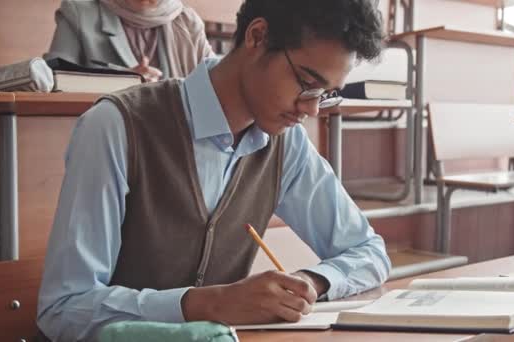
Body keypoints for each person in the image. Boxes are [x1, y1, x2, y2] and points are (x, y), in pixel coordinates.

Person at [37, 0, 391, 340]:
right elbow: (64, 309)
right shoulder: (116, 126)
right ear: (258, 36)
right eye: (308, 83)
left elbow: (368, 251)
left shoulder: (287, 143)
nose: (312, 109)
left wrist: (308, 283)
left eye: (326, 94)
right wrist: (210, 304)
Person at [45, 0, 214, 81]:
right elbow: (52, 81)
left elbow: (215, 80)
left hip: (176, 136)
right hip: (106, 132)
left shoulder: (187, 20)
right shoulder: (79, 12)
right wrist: (121, 84)